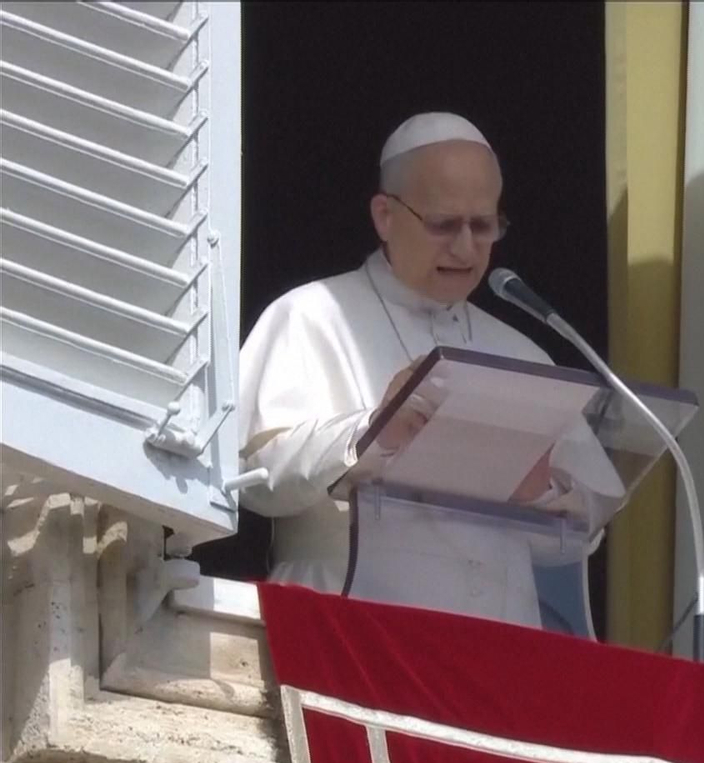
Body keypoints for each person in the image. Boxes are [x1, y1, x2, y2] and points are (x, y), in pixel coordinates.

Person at [238, 111, 619, 630]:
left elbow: (584, 534)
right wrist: (369, 433)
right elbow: (253, 478)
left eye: (483, 226)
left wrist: (544, 492)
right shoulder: (310, 316)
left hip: (499, 652)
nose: (465, 248)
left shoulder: (523, 352)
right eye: (444, 224)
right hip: (349, 636)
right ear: (385, 215)